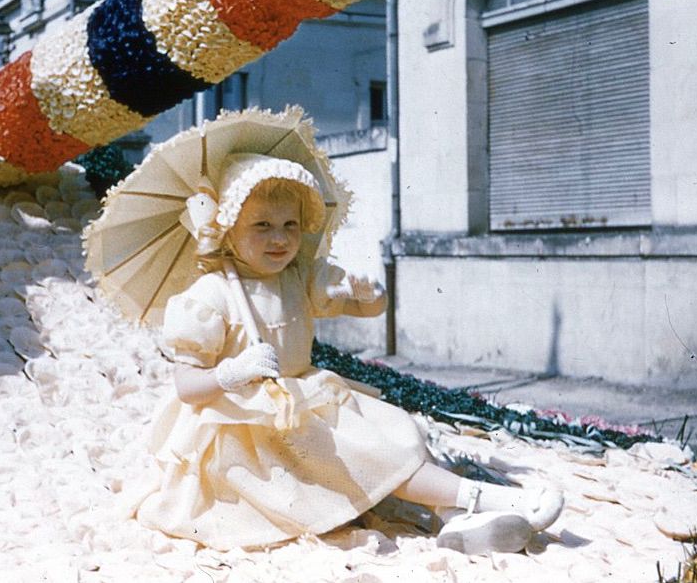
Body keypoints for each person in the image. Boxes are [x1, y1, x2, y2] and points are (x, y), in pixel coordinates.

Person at [132, 152, 564, 554]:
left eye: (290, 225)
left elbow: (365, 307)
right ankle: (481, 497)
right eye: (261, 226)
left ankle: (450, 514)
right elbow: (187, 387)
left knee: (393, 429)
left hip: (306, 395)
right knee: (362, 450)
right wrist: (232, 372)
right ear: (226, 228)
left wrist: (367, 293)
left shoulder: (297, 276)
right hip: (248, 426)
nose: (279, 238)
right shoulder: (212, 294)